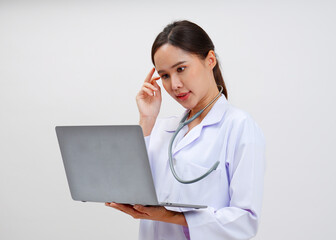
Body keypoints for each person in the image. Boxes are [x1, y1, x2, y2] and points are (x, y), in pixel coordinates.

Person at [105, 20, 266, 240]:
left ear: (210, 60)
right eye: (165, 75)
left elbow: (244, 222)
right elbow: (129, 186)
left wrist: (170, 215)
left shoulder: (239, 126)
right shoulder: (162, 129)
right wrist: (146, 118)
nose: (175, 85)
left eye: (181, 69)